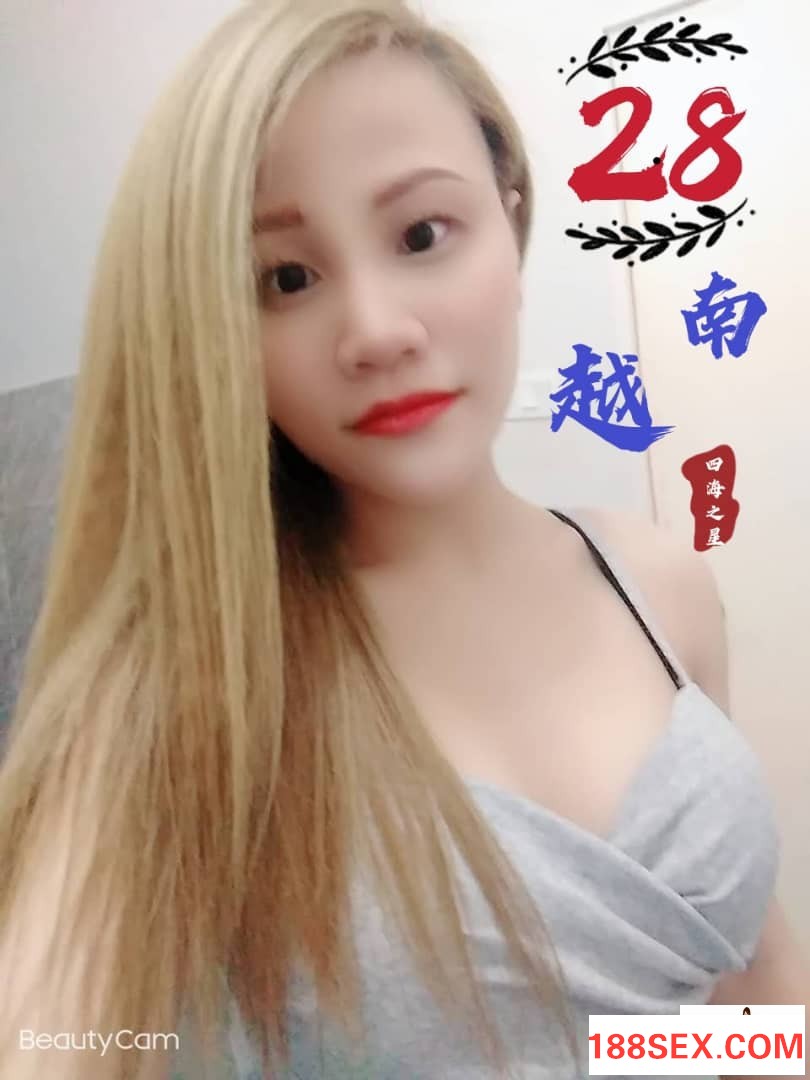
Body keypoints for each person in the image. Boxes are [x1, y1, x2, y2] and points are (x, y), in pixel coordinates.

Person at [0, 1, 806, 1078]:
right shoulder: (183, 686)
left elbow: (736, 981)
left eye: (423, 235)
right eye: (286, 278)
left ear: (511, 224)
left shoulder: (660, 585)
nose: (377, 331)